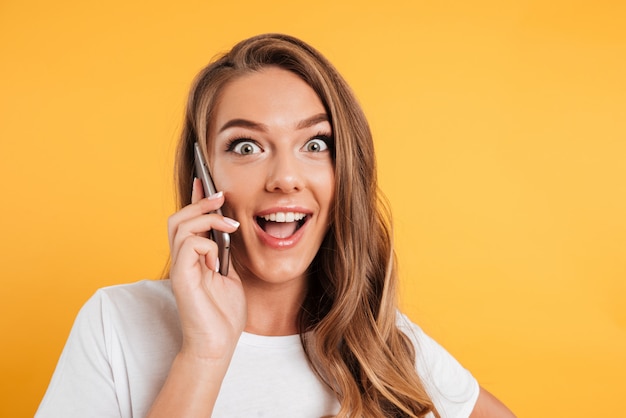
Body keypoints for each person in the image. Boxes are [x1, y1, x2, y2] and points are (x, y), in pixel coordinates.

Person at [36, 33, 515, 417]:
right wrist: (203, 357)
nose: (285, 179)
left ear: (345, 171)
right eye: (246, 147)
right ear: (203, 178)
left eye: (315, 144)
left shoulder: (384, 347)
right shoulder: (116, 323)